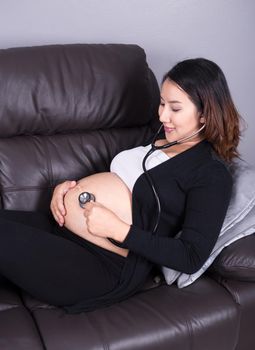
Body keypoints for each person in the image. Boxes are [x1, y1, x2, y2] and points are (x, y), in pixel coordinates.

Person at [0, 58, 241, 313]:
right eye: (161, 103)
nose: (162, 115)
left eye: (175, 108)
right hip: (63, 231)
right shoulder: (162, 137)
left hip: (101, 265)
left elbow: (191, 256)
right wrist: (65, 189)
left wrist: (120, 231)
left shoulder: (211, 174)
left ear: (205, 112)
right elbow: (121, 181)